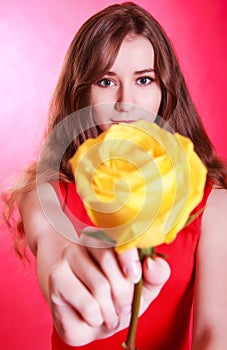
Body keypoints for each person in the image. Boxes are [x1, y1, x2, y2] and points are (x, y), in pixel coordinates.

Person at [3, 2, 227, 349]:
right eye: (107, 81)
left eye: (143, 79)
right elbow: (53, 247)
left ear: (165, 90)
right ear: (82, 93)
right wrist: (69, 281)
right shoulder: (44, 193)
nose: (126, 102)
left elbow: (216, 332)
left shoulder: (212, 203)